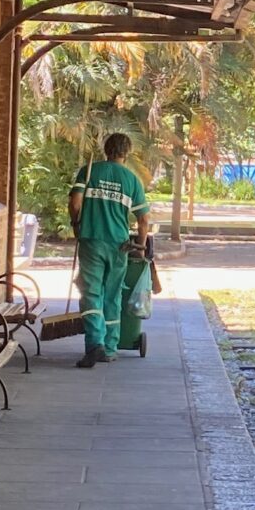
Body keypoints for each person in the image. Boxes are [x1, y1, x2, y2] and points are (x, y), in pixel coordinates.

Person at [67, 132, 150, 368]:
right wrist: (141, 248)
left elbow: (75, 203)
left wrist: (76, 224)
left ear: (106, 149)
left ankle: (95, 344)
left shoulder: (90, 171)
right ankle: (111, 348)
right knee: (113, 295)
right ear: (127, 152)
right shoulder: (132, 180)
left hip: (92, 240)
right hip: (120, 245)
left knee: (91, 293)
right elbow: (144, 219)